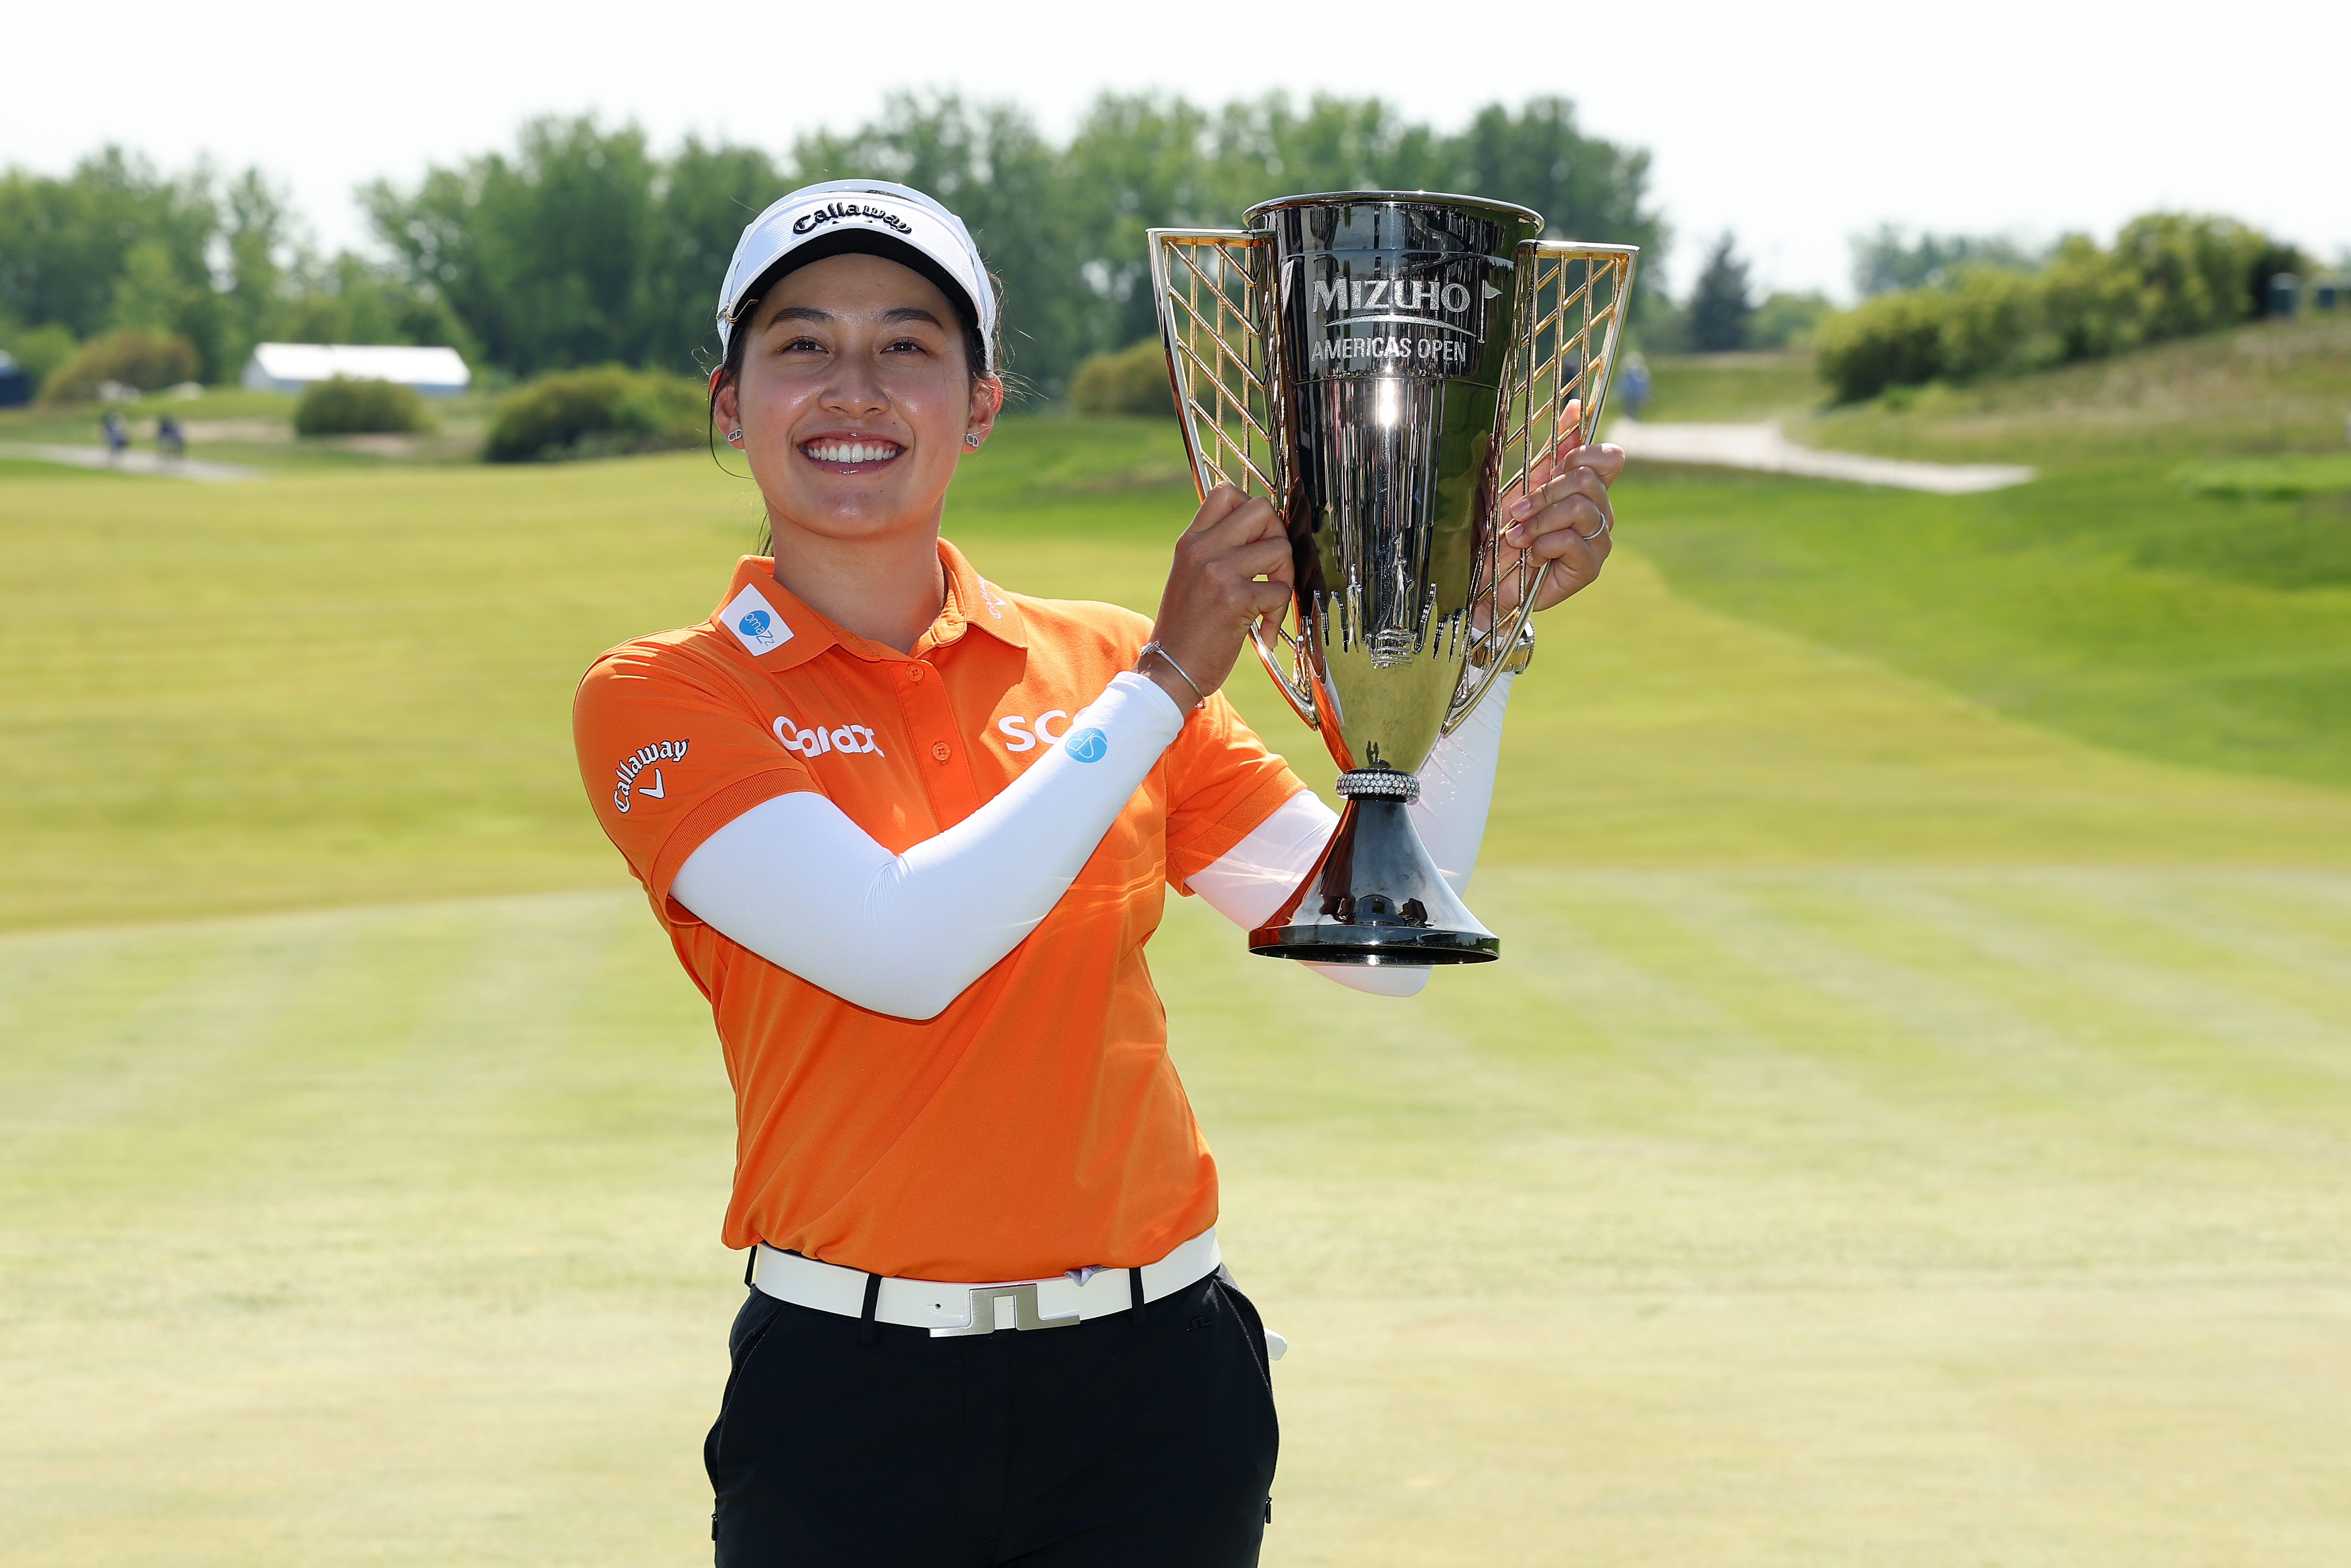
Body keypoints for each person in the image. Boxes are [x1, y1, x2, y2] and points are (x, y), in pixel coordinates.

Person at [570, 178, 1622, 1568]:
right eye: (804, 344)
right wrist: (1167, 682)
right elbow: (903, 947)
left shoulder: (1092, 660)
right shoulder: (661, 696)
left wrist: (1468, 638)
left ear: (983, 403)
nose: (856, 388)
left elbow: (1373, 941)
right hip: (849, 1395)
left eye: (908, 345)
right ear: (730, 400)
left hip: (1153, 1392)